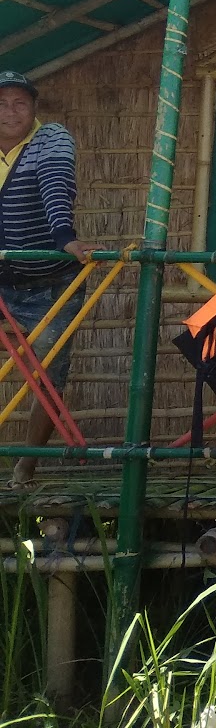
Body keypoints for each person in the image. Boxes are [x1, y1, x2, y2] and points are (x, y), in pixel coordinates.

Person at [0, 71, 95, 489]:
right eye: (2, 103)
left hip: (52, 281)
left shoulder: (51, 139)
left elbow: (55, 188)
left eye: (20, 103)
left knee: (48, 380)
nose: (11, 111)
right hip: (3, 281)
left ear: (34, 108)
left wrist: (64, 238)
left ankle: (25, 469)